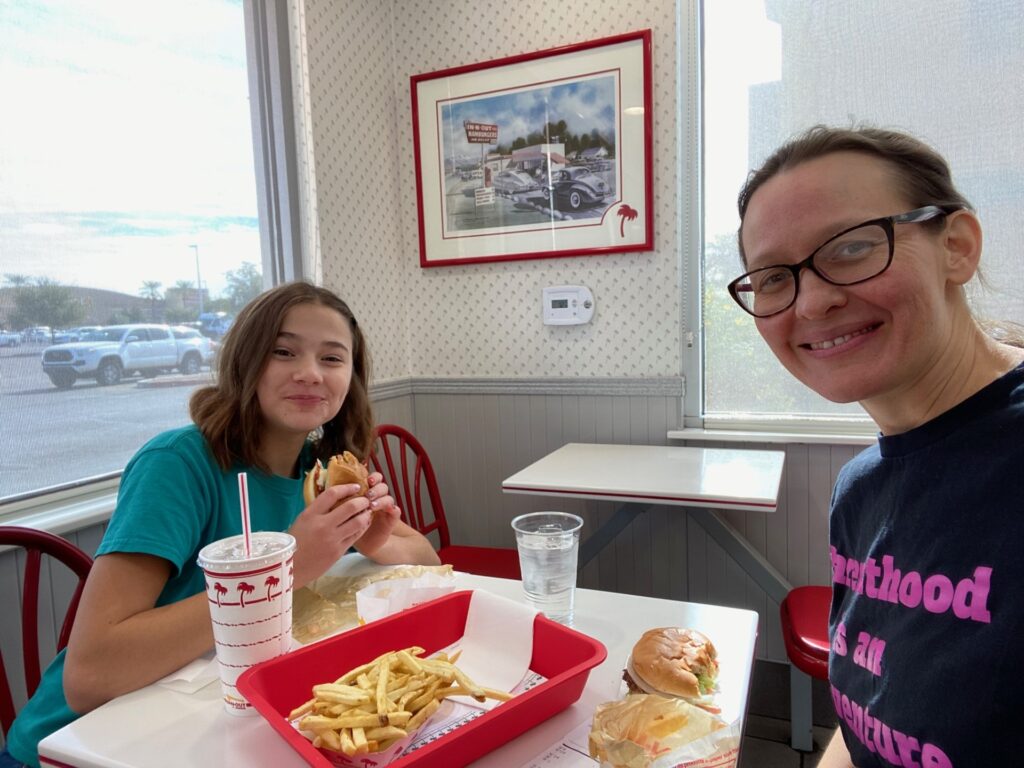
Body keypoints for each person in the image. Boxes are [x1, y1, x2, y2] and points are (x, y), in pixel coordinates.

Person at [2, 282, 440, 768]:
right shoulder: (178, 465)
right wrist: (286, 568)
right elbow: (90, 675)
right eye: (283, 351)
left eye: (332, 358)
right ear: (245, 362)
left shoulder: (321, 468)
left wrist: (375, 541)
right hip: (77, 744)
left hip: (217, 719)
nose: (310, 373)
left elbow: (427, 559)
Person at [728, 125, 1024, 768]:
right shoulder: (862, 488)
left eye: (853, 247)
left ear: (958, 246)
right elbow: (871, 727)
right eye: (774, 278)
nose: (811, 301)